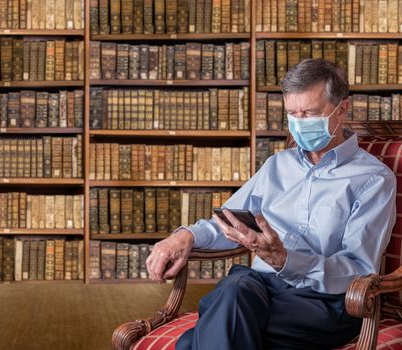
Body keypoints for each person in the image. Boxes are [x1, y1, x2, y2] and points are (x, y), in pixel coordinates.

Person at [145, 58, 397, 350]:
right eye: (293, 114)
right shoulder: (277, 165)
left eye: (310, 113)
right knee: (236, 290)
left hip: (325, 301)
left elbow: (358, 269)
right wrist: (185, 236)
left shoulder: (374, 179)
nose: (300, 123)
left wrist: (285, 260)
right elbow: (229, 221)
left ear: (342, 110)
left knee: (201, 334)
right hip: (258, 289)